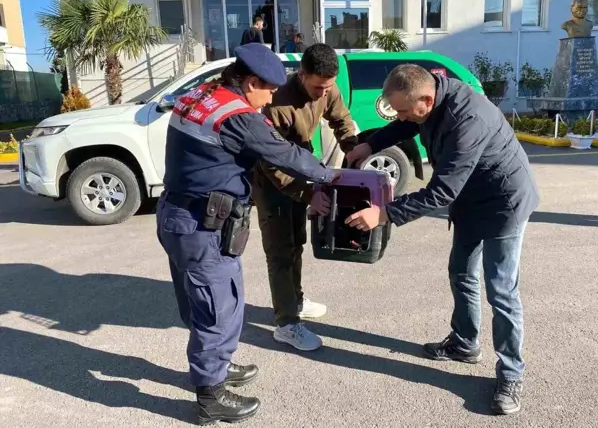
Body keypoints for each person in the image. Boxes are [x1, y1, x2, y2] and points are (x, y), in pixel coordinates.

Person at [156, 43, 338, 426]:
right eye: (269, 89)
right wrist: (331, 176)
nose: (272, 96)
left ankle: (217, 366)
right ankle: (211, 398)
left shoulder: (199, 95)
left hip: (178, 216)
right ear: (250, 82)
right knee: (218, 308)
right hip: (202, 225)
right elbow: (285, 154)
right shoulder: (238, 116)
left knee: (205, 303)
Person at [345, 64, 540, 416]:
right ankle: (465, 344)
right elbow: (407, 123)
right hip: (470, 200)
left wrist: (384, 213)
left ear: (427, 99)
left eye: (405, 110)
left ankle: (511, 373)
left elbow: (442, 192)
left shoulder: (469, 120)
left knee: (501, 289)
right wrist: (369, 144)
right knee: (461, 272)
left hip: (503, 204)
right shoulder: (427, 100)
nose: (403, 117)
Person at [251, 43, 358, 351]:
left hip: (302, 166)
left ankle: (295, 299)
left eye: (328, 87)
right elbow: (272, 162)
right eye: (317, 87)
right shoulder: (278, 102)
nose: (324, 93)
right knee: (280, 251)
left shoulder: (328, 88)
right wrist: (308, 193)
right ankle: (286, 324)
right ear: (301, 75)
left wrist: (354, 149)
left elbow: (341, 120)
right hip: (271, 179)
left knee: (297, 241)